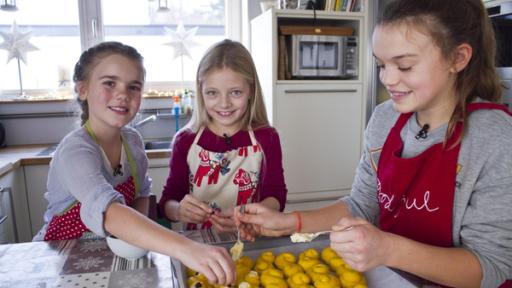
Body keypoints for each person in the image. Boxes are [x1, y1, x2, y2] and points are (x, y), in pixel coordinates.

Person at [235, 0, 512, 287]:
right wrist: (289, 221)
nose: (388, 79)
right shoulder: (384, 119)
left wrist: (387, 248)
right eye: (382, 64)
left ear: (458, 58)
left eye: (404, 65)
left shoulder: (495, 139)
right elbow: (362, 205)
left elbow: (490, 266)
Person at [33, 41, 235, 285]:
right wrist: (186, 248)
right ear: (83, 89)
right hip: (62, 261)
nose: (123, 94)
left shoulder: (133, 142)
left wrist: (149, 233)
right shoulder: (75, 151)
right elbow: (109, 212)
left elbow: (140, 200)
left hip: (117, 257)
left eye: (133, 86)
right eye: (110, 83)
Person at [158, 39, 287, 232]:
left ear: (250, 91)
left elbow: (276, 196)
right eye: (212, 93)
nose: (224, 103)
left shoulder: (266, 138)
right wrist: (178, 211)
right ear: (201, 93)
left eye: (235, 92)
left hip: (250, 238)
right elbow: (167, 202)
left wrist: (248, 216)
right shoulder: (185, 141)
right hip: (198, 246)